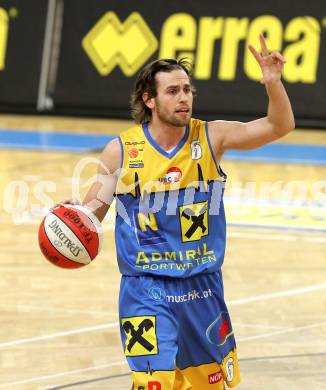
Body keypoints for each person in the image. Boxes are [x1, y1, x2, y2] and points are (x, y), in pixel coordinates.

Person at [57, 35, 294, 389]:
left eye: (187, 89)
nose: (184, 97)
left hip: (201, 289)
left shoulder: (213, 137)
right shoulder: (121, 151)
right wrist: (70, 216)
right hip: (145, 289)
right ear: (148, 99)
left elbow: (279, 126)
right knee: (156, 382)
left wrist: (273, 84)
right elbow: (94, 211)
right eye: (172, 91)